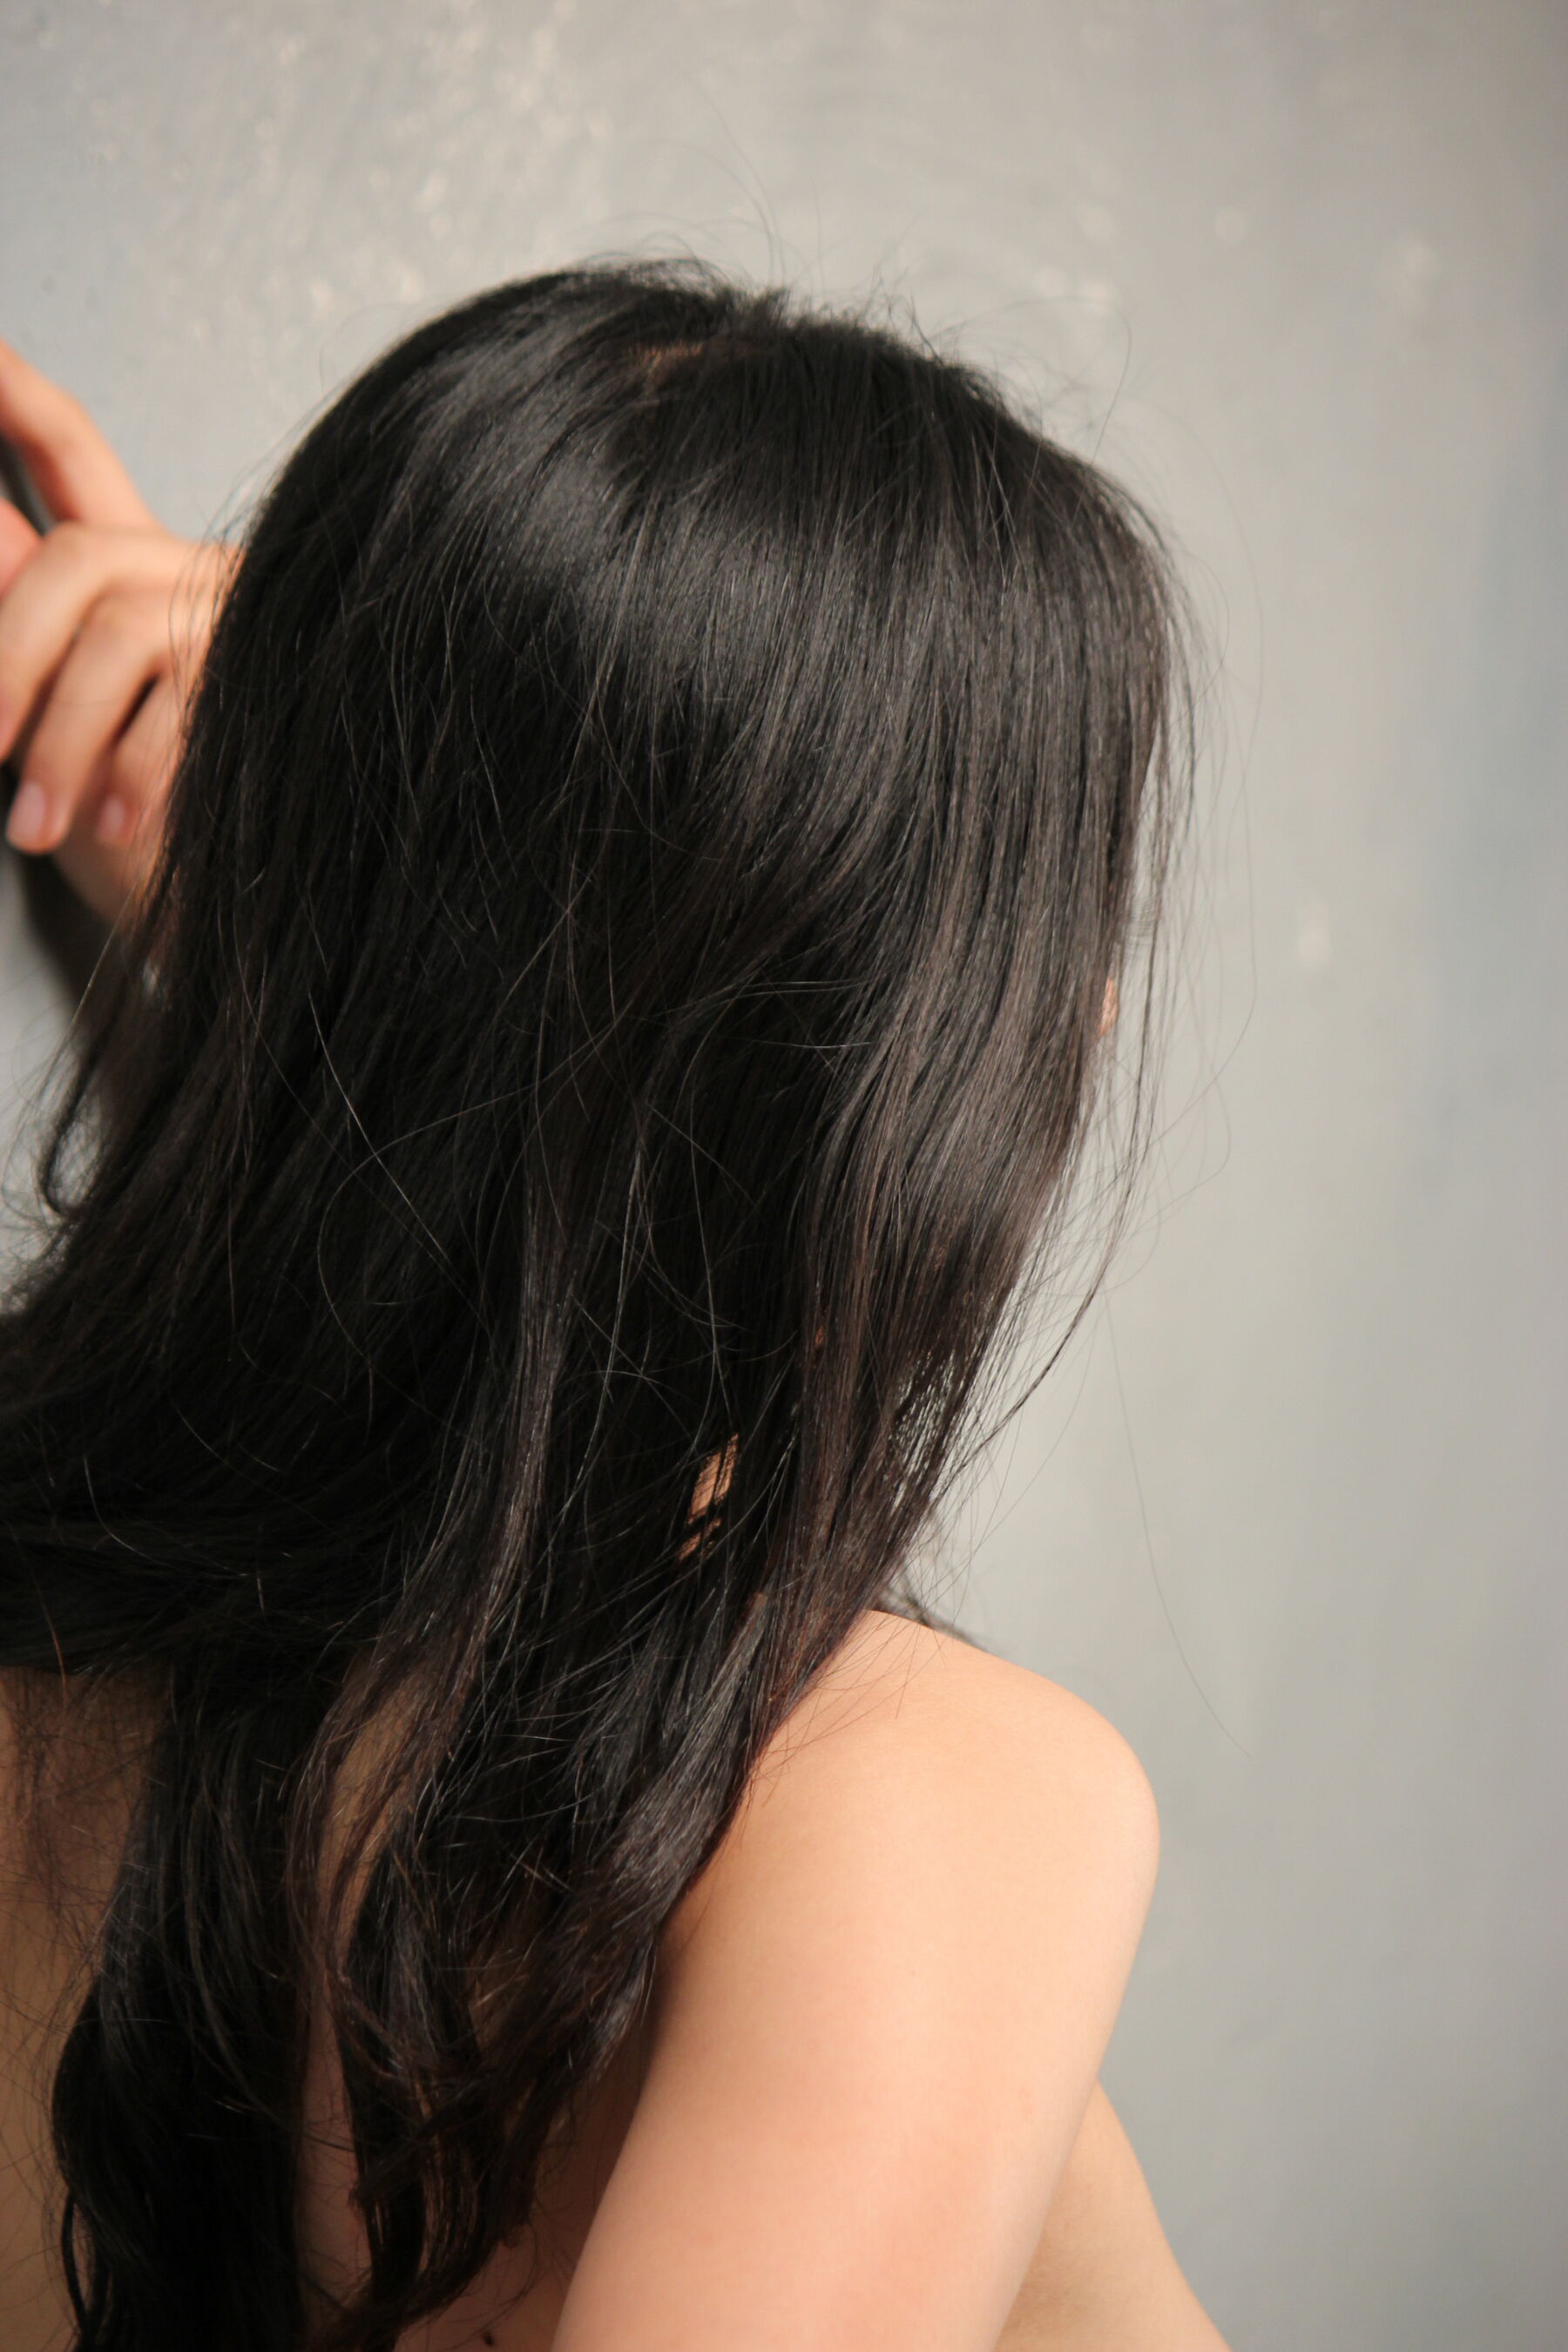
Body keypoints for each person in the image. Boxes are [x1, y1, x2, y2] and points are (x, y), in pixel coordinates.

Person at [0, 263, 1228, 2352]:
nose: (1094, 1007)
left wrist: (307, 963)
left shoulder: (82, 1678)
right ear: (914, 1063)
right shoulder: (914, 1801)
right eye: (1051, 937)